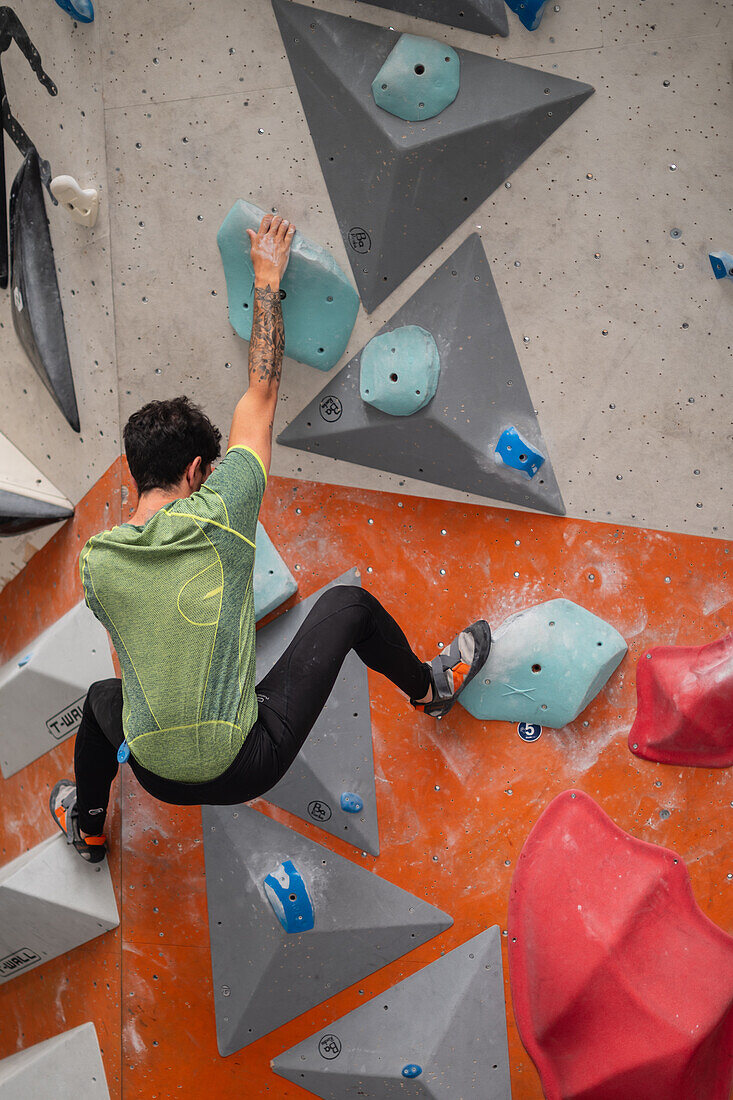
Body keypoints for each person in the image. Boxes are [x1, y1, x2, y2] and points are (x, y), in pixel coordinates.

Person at [49, 212, 490, 862]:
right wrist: (266, 279)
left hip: (154, 774)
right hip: (247, 760)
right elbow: (261, 390)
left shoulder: (97, 563)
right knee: (350, 607)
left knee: (99, 702)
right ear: (199, 472)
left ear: (136, 473)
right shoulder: (224, 508)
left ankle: (87, 828)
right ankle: (431, 690)